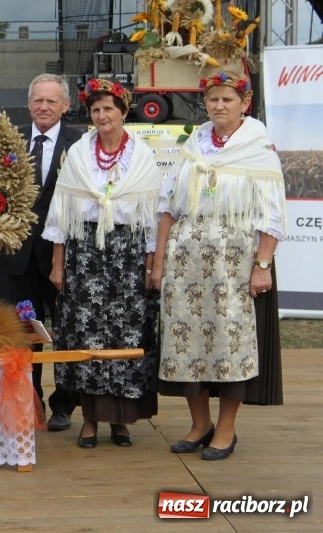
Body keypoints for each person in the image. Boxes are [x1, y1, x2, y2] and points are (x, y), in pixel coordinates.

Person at [152, 71, 286, 460]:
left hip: (234, 264)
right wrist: (158, 262)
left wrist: (263, 265)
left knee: (228, 345)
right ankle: (199, 424)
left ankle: (225, 429)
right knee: (186, 343)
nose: (219, 106)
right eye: (212, 99)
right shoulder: (194, 144)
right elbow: (168, 205)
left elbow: (272, 215)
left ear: (245, 103)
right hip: (186, 264)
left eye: (227, 99)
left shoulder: (259, 148)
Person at [43, 79, 161, 448]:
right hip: (84, 254)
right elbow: (61, 214)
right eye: (95, 109)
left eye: (109, 108)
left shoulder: (142, 156)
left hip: (127, 255)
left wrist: (150, 266)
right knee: (85, 333)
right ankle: (91, 420)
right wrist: (58, 265)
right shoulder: (79, 153)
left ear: (125, 112)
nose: (101, 115)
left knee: (125, 334)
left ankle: (121, 422)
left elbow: (152, 218)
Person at [10, 73, 83, 431]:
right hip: (18, 258)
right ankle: (30, 398)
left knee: (65, 330)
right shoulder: (9, 142)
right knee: (26, 332)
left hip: (63, 257)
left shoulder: (81, 144)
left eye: (52, 101)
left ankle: (64, 404)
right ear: (28, 104)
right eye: (38, 100)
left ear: (65, 106)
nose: (44, 106)